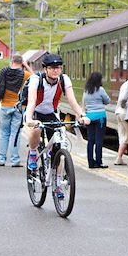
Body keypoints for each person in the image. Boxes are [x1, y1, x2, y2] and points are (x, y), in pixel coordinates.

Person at [24, 54, 89, 194]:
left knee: (59, 148)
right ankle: (33, 153)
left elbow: (72, 101)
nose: (56, 71)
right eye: (52, 68)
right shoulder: (36, 80)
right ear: (45, 69)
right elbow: (31, 102)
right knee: (36, 129)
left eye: (58, 68)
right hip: (36, 111)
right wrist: (29, 119)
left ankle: (57, 183)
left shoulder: (64, 80)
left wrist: (82, 115)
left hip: (51, 113)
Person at [0, 54, 32, 167]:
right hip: (17, 108)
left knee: (4, 134)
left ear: (12, 61)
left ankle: (1, 159)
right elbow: (36, 78)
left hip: (5, 106)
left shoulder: (4, 72)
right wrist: (26, 66)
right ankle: (15, 160)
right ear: (22, 63)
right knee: (16, 134)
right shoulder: (24, 74)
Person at [82, 71, 110, 169]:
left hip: (89, 117)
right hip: (100, 117)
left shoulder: (86, 90)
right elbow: (107, 101)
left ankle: (90, 163)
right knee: (99, 140)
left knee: (90, 140)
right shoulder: (100, 89)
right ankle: (98, 162)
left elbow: (84, 102)